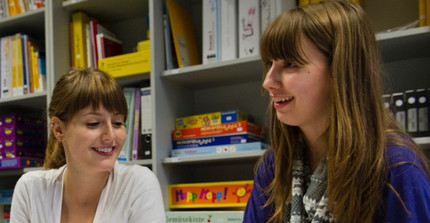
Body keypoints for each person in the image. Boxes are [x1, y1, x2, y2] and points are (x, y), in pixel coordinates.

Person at [243, 1, 430, 222]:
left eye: (291, 64)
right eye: (269, 63)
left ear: (340, 70)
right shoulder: (274, 165)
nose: (267, 82)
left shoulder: (396, 168)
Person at [10, 68, 166, 223]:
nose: (111, 136)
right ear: (58, 129)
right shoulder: (30, 190)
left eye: (118, 123)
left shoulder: (138, 184)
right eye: (94, 123)